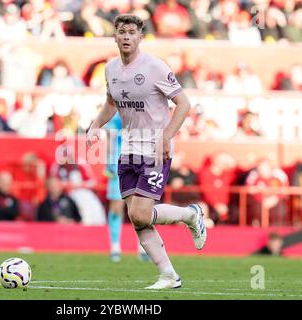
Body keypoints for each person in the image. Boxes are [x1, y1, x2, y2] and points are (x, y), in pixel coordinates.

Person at [87, 14, 206, 290]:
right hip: (127, 150)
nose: (126, 36)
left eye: (131, 32)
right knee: (137, 219)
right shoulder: (111, 69)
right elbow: (110, 103)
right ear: (114, 37)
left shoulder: (154, 67)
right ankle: (168, 275)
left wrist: (166, 136)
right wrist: (94, 125)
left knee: (141, 214)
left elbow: (184, 103)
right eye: (121, 32)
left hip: (154, 150)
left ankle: (190, 215)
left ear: (140, 37)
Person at [104, 111, 148, 262]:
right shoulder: (118, 114)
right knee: (116, 207)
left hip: (140, 163)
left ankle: (143, 247)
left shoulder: (143, 111)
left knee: (140, 207)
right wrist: (109, 162)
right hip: (119, 162)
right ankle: (115, 247)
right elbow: (110, 136)